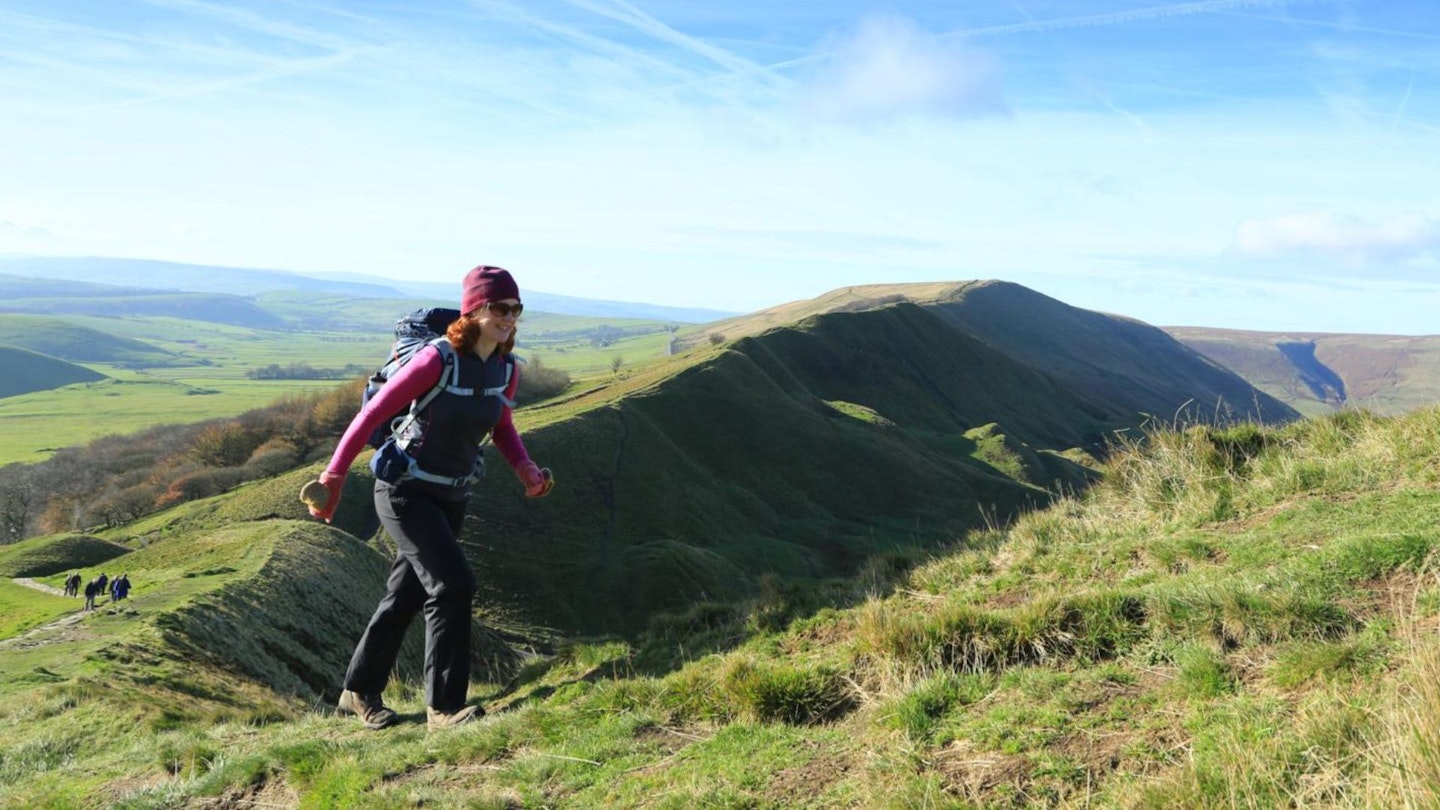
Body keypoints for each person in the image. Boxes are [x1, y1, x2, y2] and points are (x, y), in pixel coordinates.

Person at [302, 265, 554, 731]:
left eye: (516, 310)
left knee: (405, 596)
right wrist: (333, 476)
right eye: (500, 308)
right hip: (403, 492)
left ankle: (356, 692)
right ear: (474, 309)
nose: (509, 318)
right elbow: (371, 415)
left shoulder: (505, 368)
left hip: (452, 494)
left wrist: (526, 469)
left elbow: (502, 426)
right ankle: (444, 708)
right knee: (453, 586)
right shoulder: (437, 360)